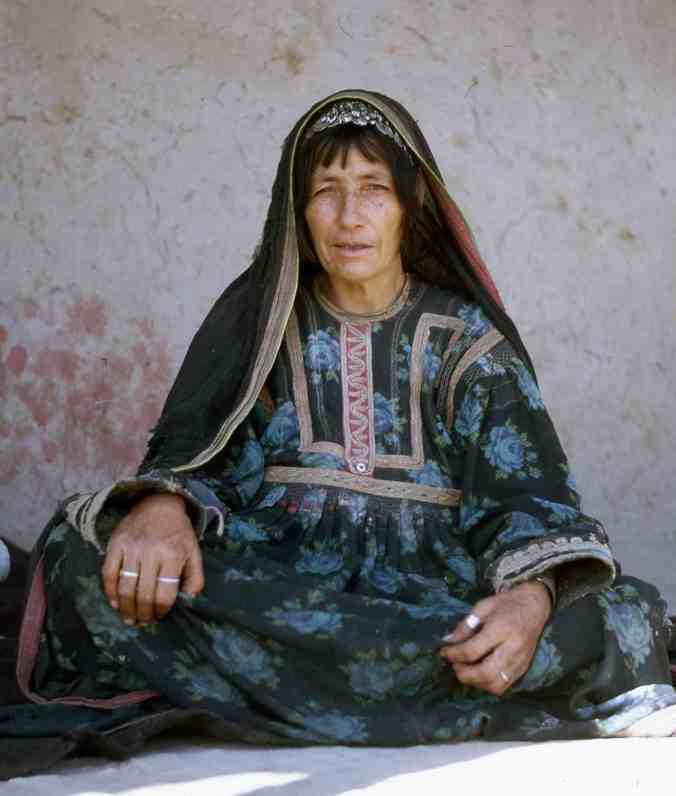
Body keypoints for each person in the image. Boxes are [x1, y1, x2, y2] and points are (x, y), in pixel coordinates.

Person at [2, 90, 675, 777]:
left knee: (624, 613)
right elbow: (200, 463)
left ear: (411, 205)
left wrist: (529, 604)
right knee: (82, 550)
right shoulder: (260, 326)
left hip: (432, 597)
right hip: (277, 588)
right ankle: (405, 691)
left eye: (373, 189)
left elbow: (529, 502)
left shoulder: (469, 344)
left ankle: (282, 690)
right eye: (326, 191)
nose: (349, 217)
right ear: (298, 210)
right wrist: (162, 506)